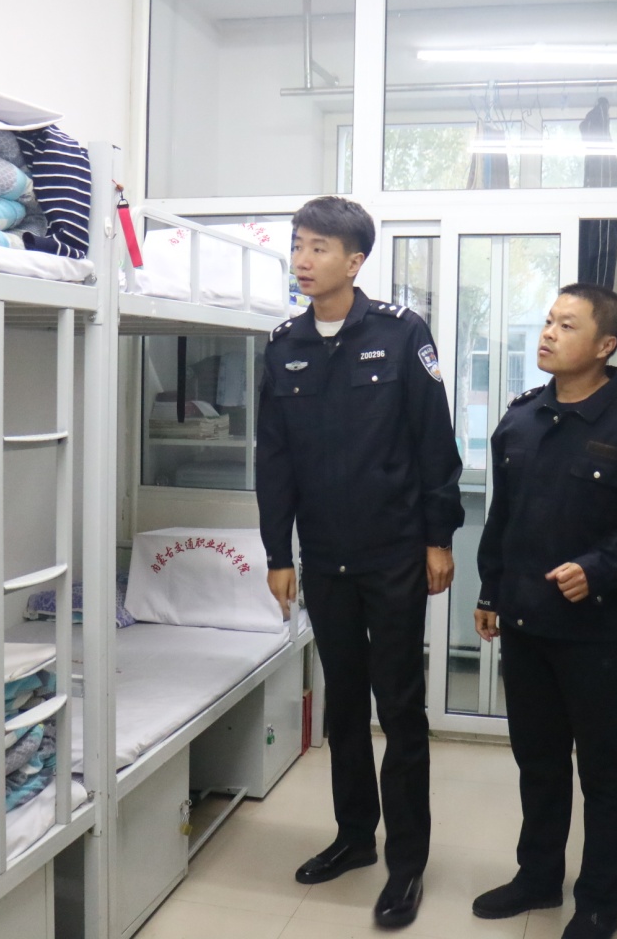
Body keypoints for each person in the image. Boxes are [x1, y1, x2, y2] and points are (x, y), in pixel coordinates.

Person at [255, 196, 464, 929]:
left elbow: (434, 442)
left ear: (355, 261)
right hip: (325, 557)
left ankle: (406, 863)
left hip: (395, 553)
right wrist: (277, 551)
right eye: (297, 246)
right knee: (341, 704)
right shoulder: (283, 344)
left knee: (399, 708)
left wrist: (439, 539)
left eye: (318, 248)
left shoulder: (401, 334)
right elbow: (274, 459)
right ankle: (353, 838)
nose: (302, 260)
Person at [470, 284, 617, 939]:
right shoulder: (522, 417)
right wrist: (490, 591)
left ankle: (600, 900)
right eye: (548, 321)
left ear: (605, 345)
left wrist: (597, 569)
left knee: (602, 769)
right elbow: (502, 518)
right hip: (525, 623)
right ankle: (538, 877)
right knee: (539, 762)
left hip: (595, 634)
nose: (548, 333)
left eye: (566, 325)